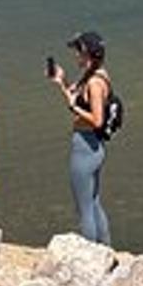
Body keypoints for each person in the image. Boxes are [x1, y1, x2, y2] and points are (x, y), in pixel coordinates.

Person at [48, 29, 112, 245]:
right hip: (94, 147)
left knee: (84, 209)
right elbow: (76, 103)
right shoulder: (97, 75)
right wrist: (61, 82)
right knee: (93, 203)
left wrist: (73, 106)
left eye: (77, 51)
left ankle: (92, 255)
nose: (75, 55)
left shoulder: (94, 83)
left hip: (85, 148)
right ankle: (106, 249)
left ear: (86, 53)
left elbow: (97, 120)